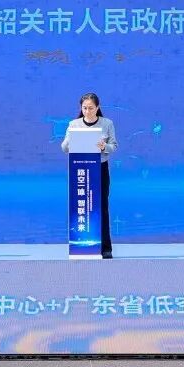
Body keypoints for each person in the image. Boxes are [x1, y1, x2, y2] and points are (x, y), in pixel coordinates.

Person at [61, 92, 118, 259]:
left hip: (100, 168)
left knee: (101, 207)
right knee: (81, 207)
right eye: (84, 108)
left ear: (98, 107)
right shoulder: (74, 124)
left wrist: (104, 146)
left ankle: (105, 248)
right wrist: (71, 137)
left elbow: (114, 146)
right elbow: (64, 148)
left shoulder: (107, 123)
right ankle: (81, 245)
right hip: (80, 169)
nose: (87, 111)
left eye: (91, 108)